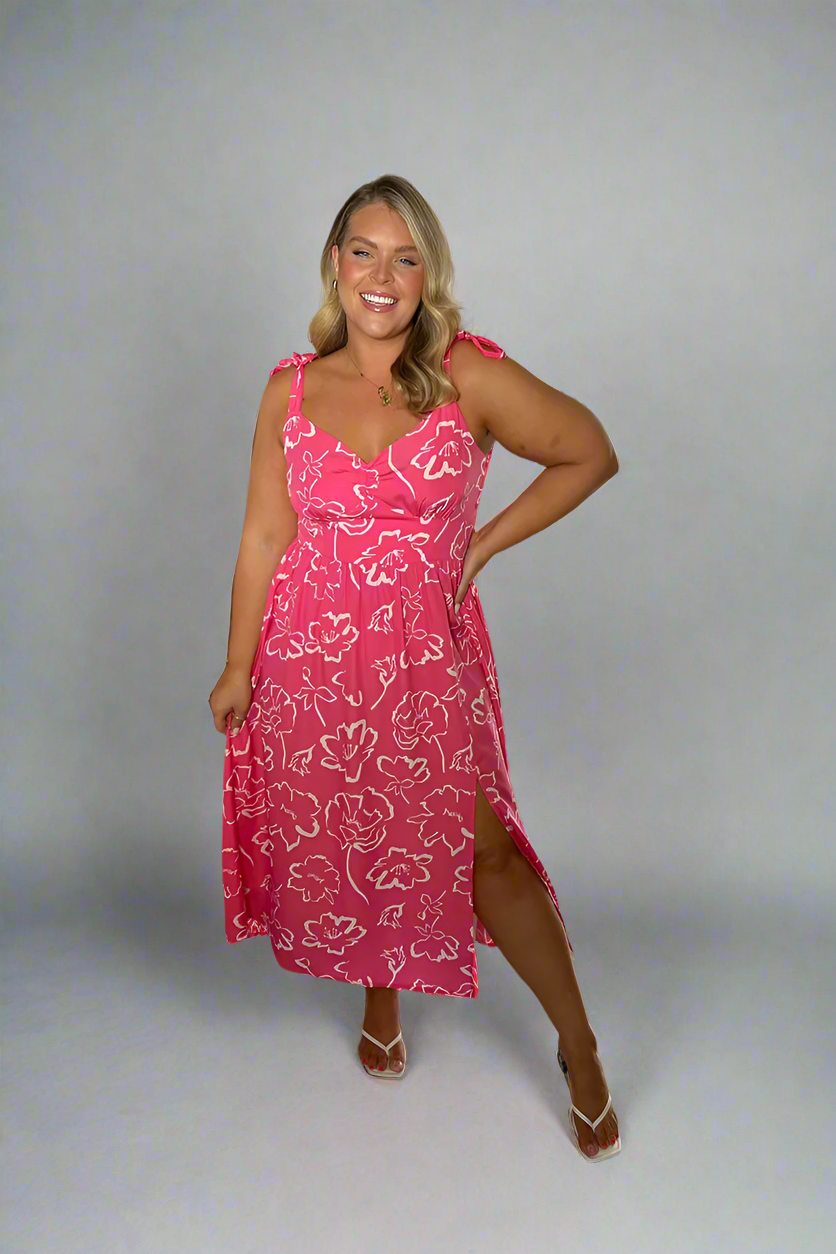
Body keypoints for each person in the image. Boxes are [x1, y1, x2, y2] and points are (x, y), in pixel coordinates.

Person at [208, 174, 621, 1161]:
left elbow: (588, 452)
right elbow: (264, 533)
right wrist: (236, 664)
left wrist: (481, 546)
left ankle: (577, 1043)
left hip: (422, 653)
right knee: (361, 823)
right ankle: (380, 1000)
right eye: (363, 251)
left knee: (483, 853)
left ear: (428, 274)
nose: (381, 276)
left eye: (405, 258)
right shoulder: (289, 389)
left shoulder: (466, 374)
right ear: (334, 264)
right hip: (310, 652)